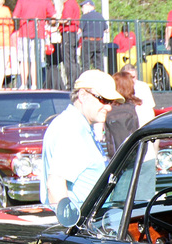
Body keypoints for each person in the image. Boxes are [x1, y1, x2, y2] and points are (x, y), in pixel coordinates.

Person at [41, 69, 119, 210]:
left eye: (111, 102)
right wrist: (70, 227)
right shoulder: (71, 129)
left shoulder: (78, 125)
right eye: (103, 99)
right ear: (82, 95)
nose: (108, 107)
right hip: (82, 225)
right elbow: (55, 184)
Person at [13, 0, 56, 89]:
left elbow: (15, 16)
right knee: (35, 60)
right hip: (39, 33)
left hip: (24, 32)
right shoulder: (45, 0)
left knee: (24, 60)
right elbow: (53, 16)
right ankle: (34, 84)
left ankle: (23, 84)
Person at [55, 0, 80, 85]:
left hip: (68, 33)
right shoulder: (72, 3)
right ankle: (74, 81)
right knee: (72, 59)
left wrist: (58, 20)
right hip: (71, 33)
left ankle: (71, 82)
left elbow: (67, 20)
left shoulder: (69, 4)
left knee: (68, 59)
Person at [79, 0, 107, 73]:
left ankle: (86, 81)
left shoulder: (85, 16)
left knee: (86, 64)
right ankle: (101, 79)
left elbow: (79, 30)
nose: (82, 9)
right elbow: (107, 29)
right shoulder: (100, 16)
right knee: (99, 64)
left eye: (83, 7)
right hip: (99, 41)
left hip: (88, 41)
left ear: (89, 6)